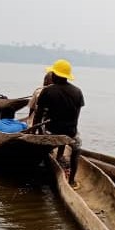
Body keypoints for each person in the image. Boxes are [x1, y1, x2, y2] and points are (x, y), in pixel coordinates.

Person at [36, 59, 85, 189]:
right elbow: (76, 117)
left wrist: (37, 135)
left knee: (42, 142)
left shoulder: (47, 91)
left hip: (52, 131)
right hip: (70, 132)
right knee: (77, 148)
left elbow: (38, 116)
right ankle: (72, 181)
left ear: (55, 75)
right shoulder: (78, 92)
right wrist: (71, 130)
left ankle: (47, 161)